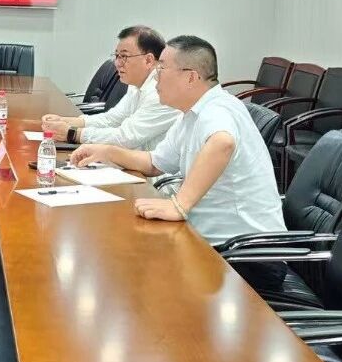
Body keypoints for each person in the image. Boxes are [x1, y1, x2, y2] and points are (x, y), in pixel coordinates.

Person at [71, 35, 284, 244]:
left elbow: (223, 143)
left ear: (190, 77)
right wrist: (108, 152)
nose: (155, 77)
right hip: (204, 239)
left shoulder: (218, 108)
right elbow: (155, 163)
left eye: (161, 69)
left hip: (243, 251)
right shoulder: (189, 114)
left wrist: (179, 205)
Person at [41, 25, 180, 150]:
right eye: (117, 56)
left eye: (124, 56)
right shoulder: (137, 86)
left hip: (149, 169)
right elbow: (112, 119)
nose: (117, 63)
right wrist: (65, 121)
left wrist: (72, 133)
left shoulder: (161, 93)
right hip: (130, 160)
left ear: (148, 60)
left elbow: (126, 137)